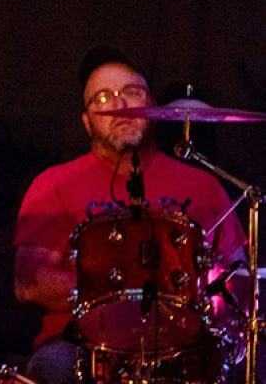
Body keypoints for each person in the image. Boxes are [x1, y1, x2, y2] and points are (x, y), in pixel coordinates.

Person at [13, 45, 247, 384]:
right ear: (86, 121)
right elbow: (28, 282)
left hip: (184, 342)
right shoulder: (55, 184)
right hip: (79, 343)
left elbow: (236, 273)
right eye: (103, 98)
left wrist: (223, 322)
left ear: (151, 106)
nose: (120, 105)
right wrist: (122, 297)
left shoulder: (203, 185)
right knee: (54, 368)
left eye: (131, 92)